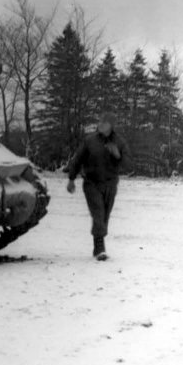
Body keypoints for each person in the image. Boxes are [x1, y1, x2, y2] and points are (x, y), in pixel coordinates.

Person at [66, 111, 129, 261]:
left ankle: (97, 246)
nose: (100, 124)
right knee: (98, 214)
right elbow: (77, 159)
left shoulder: (120, 142)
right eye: (99, 121)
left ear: (111, 126)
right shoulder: (90, 141)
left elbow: (128, 164)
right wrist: (71, 179)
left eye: (104, 122)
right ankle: (100, 248)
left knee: (104, 216)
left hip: (111, 184)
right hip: (92, 183)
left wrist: (117, 155)